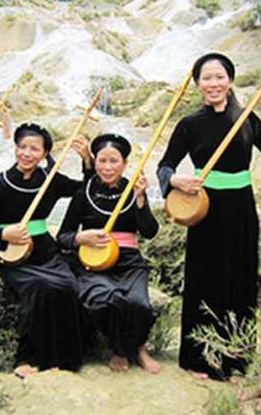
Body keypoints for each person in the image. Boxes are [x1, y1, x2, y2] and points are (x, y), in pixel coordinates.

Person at [157, 52, 261, 380]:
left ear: (230, 80)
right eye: (206, 77)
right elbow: (165, 166)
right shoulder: (189, 125)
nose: (213, 83)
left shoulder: (246, 118)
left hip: (241, 208)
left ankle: (236, 359)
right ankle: (198, 358)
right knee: (204, 277)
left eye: (219, 77)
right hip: (204, 208)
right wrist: (176, 180)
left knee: (240, 277)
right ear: (197, 83)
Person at [0, 123, 90, 378]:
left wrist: (87, 161)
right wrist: (2, 234)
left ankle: (66, 357)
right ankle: (28, 357)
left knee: (68, 287)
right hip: (13, 255)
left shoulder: (51, 180)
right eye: (22, 147)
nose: (26, 153)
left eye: (34, 149)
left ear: (45, 153)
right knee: (38, 290)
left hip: (47, 252)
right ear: (15, 148)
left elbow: (85, 190)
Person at [58, 133, 161, 373]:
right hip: (94, 262)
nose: (107, 167)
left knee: (138, 303)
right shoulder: (84, 193)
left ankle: (139, 348)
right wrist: (79, 238)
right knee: (106, 299)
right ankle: (120, 348)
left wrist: (140, 199)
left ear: (125, 163)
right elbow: (63, 236)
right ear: (94, 163)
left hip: (128, 261)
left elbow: (150, 231)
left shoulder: (133, 189)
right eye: (101, 161)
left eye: (114, 161)